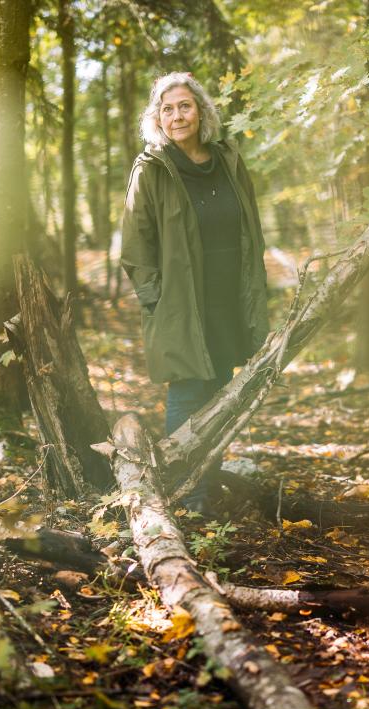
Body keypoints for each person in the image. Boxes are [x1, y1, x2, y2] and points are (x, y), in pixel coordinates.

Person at [121, 72, 269, 514]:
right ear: (156, 118)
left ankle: (204, 489)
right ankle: (188, 501)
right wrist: (156, 300)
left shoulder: (227, 161)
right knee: (188, 395)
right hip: (183, 305)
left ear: (201, 112)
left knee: (222, 396)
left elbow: (250, 231)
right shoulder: (151, 169)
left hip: (228, 300)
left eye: (184, 106)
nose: (176, 115)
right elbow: (135, 245)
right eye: (167, 109)